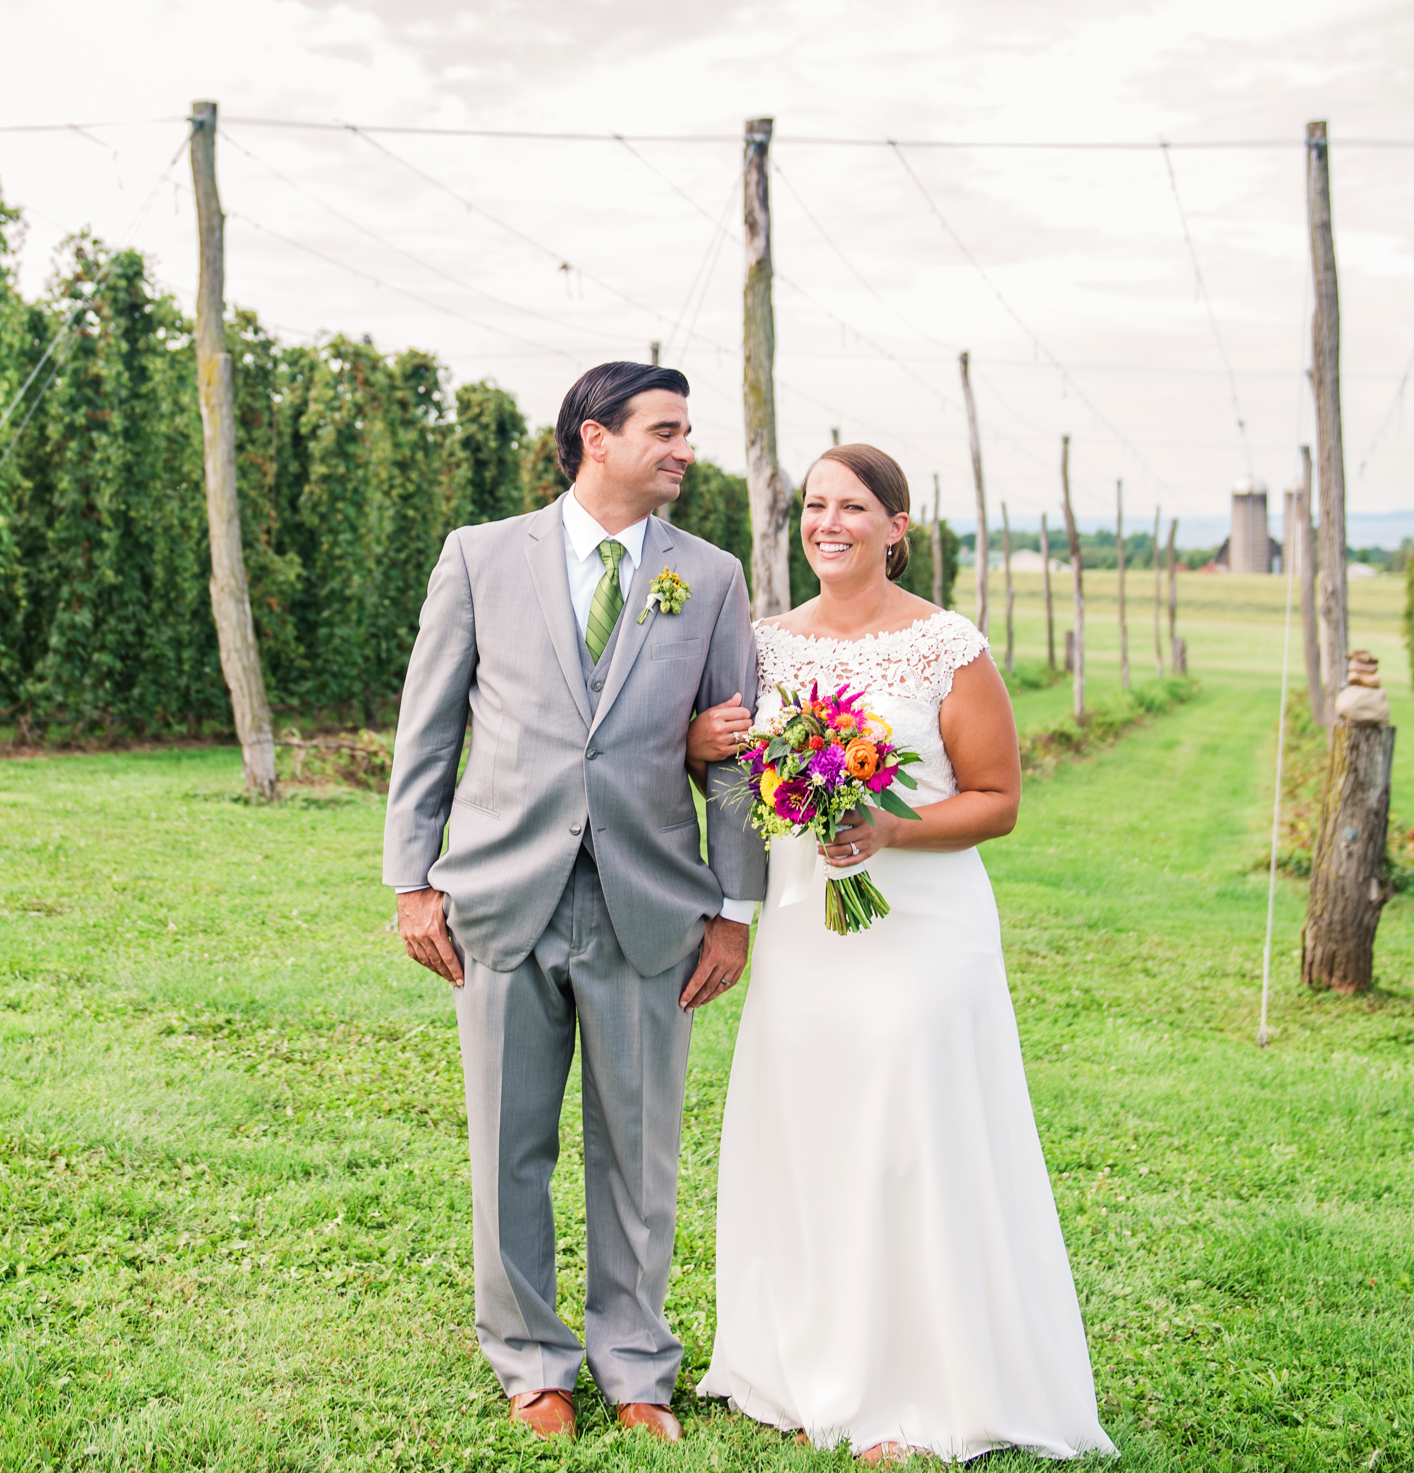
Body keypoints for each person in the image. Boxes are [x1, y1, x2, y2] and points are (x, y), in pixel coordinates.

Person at [687, 444, 1114, 1465]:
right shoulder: (761, 647)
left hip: (923, 931)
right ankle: (799, 1363)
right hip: (803, 928)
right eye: (814, 505)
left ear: (896, 527)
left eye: (853, 507)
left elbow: (998, 800)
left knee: (906, 1138)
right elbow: (717, 766)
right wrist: (703, 744)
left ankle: (914, 1384)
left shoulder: (945, 646)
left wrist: (887, 831)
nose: (828, 522)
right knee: (810, 1134)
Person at [383, 361, 765, 1444]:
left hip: (653, 904)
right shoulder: (479, 557)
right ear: (596, 438)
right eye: (667, 430)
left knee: (638, 1150)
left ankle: (636, 1366)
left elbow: (733, 753)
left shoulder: (711, 576)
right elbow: (431, 731)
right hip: (503, 896)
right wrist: (412, 880)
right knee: (508, 1147)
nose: (686, 449)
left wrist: (734, 906)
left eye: (688, 432)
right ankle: (531, 1362)